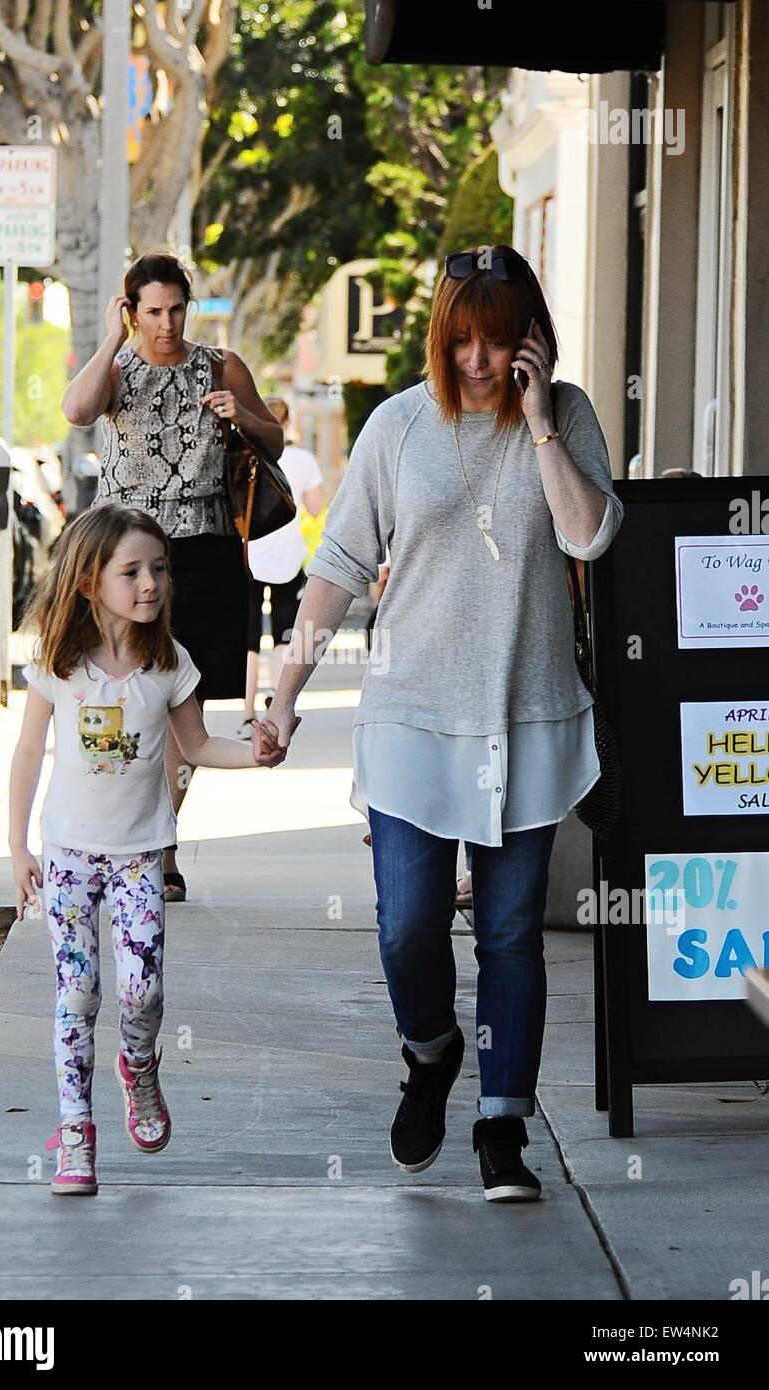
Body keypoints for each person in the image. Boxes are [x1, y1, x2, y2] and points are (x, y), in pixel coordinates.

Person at [266, 244, 623, 1202]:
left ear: (531, 341)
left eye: (497, 341)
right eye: (461, 338)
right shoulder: (397, 426)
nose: (476, 360)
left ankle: (502, 1123)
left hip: (528, 716)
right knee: (407, 926)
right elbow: (339, 563)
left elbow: (589, 533)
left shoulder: (570, 415)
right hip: (412, 718)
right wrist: (287, 688)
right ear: (439, 335)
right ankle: (432, 1054)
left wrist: (542, 422)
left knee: (510, 936)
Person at [8, 504, 284, 1195]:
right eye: (130, 571)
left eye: (158, 569)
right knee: (76, 996)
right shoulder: (58, 662)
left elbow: (197, 747)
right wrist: (17, 847)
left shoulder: (168, 663)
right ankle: (76, 1135)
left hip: (140, 857)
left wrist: (258, 754)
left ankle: (138, 1066)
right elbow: (26, 753)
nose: (150, 584)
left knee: (141, 990)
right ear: (87, 582)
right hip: (69, 854)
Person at [62, 251, 283, 901]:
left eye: (175, 309)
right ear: (133, 311)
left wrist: (240, 415)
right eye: (152, 311)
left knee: (183, 708)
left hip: (204, 551)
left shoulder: (220, 364)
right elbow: (77, 411)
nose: (166, 323)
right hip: (123, 558)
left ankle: (159, 847)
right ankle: (120, 837)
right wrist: (112, 337)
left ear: (188, 306)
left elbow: (270, 436)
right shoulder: (118, 367)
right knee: (126, 699)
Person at [239, 397, 325, 736]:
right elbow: (317, 509)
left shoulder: (246, 456)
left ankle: (246, 713)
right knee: (282, 634)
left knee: (248, 638)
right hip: (289, 556)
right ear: (288, 423)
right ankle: (276, 707)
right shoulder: (303, 459)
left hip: (248, 555)